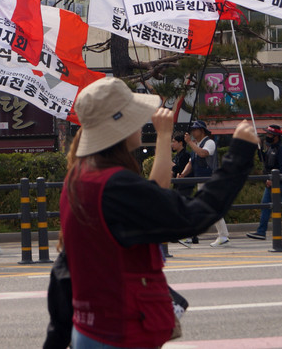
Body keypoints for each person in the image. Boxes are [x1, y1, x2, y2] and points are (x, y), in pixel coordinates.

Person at [60, 77, 259, 348]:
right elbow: (193, 216)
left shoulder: (80, 177)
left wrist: (164, 137)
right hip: (122, 332)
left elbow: (153, 197)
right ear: (121, 125)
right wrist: (239, 156)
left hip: (90, 327)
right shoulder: (117, 184)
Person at [180, 120, 229, 246]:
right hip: (201, 181)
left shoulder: (209, 142)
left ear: (201, 130)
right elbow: (190, 163)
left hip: (210, 180)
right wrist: (183, 174)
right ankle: (221, 235)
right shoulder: (197, 144)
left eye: (195, 130)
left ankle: (222, 235)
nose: (192, 132)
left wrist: (189, 143)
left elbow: (203, 154)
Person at [247, 124, 282, 240]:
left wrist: (274, 179)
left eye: (270, 134)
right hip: (270, 183)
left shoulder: (281, 149)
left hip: (280, 184)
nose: (268, 136)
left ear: (276, 136)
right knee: (265, 205)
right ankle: (261, 231)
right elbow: (264, 160)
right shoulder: (270, 148)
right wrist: (259, 148)